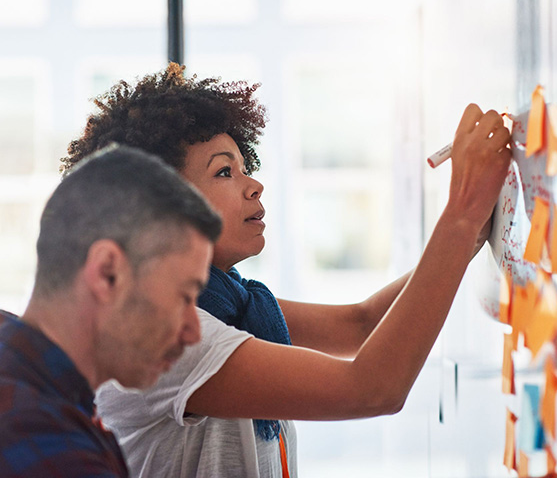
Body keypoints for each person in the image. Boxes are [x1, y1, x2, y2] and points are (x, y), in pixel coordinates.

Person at [61, 63, 512, 478]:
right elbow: (373, 388)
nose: (253, 184)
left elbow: (361, 324)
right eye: (224, 173)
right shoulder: (160, 333)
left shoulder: (231, 305)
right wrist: (461, 212)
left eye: (244, 167)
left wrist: (470, 233)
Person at [0, 145, 229, 477]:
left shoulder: (38, 386)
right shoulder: (46, 445)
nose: (194, 332)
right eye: (184, 297)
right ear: (108, 273)